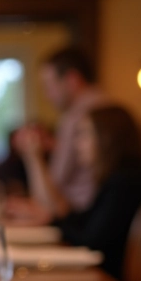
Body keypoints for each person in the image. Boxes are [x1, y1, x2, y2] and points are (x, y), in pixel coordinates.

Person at [14, 105, 141, 279]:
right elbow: (87, 221)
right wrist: (52, 220)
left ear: (107, 138)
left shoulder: (126, 182)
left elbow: (91, 241)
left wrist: (54, 222)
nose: (77, 144)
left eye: (84, 134)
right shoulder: (124, 176)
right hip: (111, 280)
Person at [18, 47, 107, 213]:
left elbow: (48, 193)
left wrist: (32, 155)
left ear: (72, 80)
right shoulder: (107, 106)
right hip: (96, 215)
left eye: (49, 86)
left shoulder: (77, 117)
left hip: (79, 219)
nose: (47, 95)